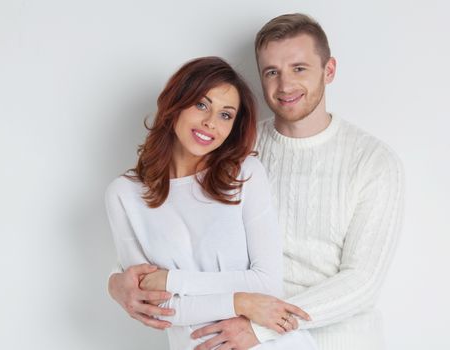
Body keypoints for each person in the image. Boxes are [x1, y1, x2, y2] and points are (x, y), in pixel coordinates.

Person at [109, 13, 405, 350]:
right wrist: (116, 282)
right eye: (272, 72)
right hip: (231, 329)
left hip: (331, 339)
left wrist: (262, 326)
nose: (285, 85)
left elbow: (362, 282)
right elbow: (167, 228)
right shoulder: (234, 148)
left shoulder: (374, 162)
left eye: (299, 68)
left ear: (329, 70)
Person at [105, 56, 318, 350]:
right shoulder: (124, 195)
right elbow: (153, 305)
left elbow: (267, 284)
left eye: (226, 115)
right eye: (202, 105)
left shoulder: (243, 176)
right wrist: (240, 301)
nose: (210, 123)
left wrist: (172, 281)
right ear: (176, 103)